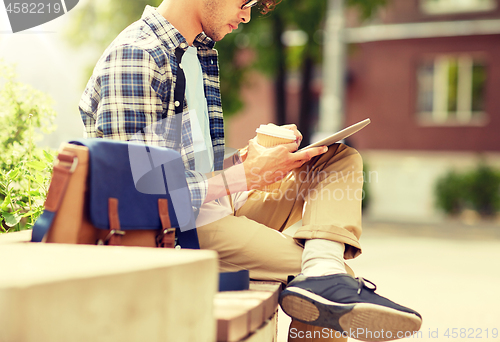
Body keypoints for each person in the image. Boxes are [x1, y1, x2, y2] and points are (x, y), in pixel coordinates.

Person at [79, 0, 422, 340]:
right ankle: (325, 277)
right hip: (179, 233)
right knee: (334, 290)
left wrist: (250, 161)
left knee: (336, 160)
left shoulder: (194, 56)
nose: (246, 16)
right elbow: (138, 196)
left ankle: (323, 270)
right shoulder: (139, 56)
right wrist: (246, 175)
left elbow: (185, 170)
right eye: (246, 2)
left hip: (214, 209)